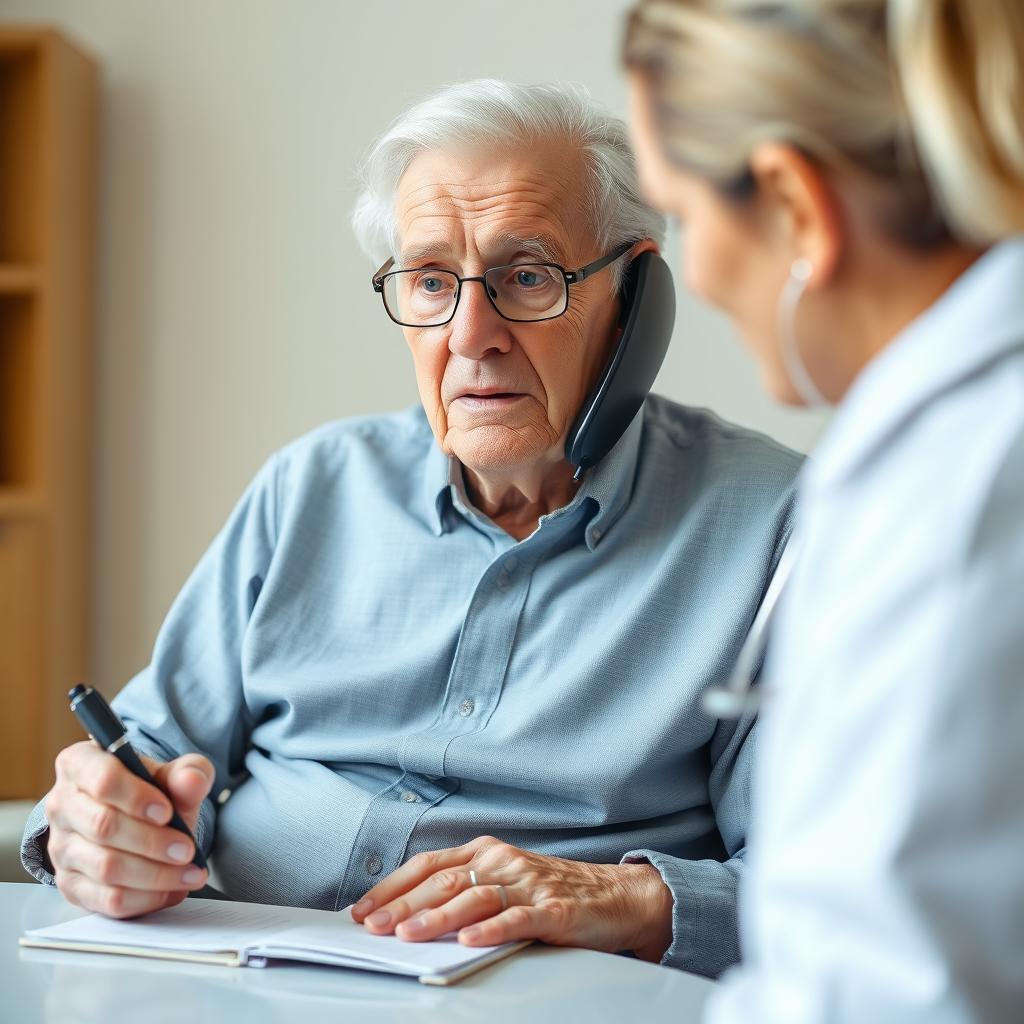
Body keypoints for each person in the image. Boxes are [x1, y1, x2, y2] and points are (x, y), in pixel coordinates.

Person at [22, 80, 801, 979]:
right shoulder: (312, 486)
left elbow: (830, 887)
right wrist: (96, 827)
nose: (473, 334)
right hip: (235, 985)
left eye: (527, 277)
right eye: (432, 281)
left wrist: (623, 898)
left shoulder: (776, 525)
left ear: (634, 296)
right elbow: (150, 753)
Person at [624, 0, 1024, 1018]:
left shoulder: (961, 478)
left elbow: (891, 985)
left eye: (680, 212)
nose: (692, 269)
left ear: (794, 202)